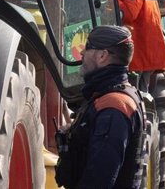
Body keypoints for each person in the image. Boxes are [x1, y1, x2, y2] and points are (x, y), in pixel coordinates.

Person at [56, 25, 145, 189]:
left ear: (103, 56)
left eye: (87, 47)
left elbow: (98, 180)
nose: (82, 53)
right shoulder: (109, 98)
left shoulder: (113, 107)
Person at [118, 0, 165, 92]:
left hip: (138, 54)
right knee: (143, 94)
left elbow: (128, 13)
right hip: (148, 55)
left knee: (132, 93)